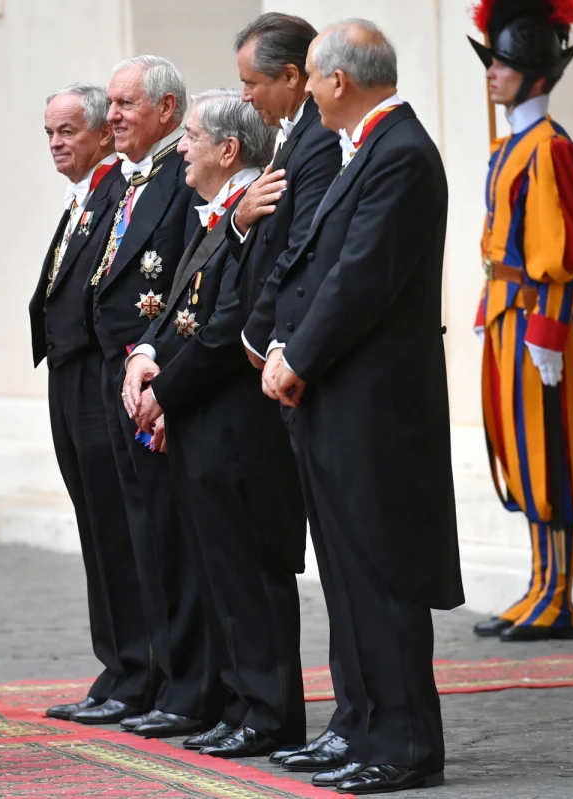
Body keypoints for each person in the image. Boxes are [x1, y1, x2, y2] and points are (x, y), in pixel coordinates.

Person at [257, 20, 463, 794]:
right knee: (344, 571)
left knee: (381, 571)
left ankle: (404, 738)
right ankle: (357, 721)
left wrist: (296, 357)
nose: (304, 89)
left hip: (375, 404)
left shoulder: (400, 154)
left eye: (310, 76)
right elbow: (315, 264)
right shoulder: (363, 150)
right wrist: (282, 348)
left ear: (339, 81)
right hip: (337, 396)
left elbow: (360, 278)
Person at [122, 88, 307, 760]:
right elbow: (184, 305)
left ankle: (269, 710)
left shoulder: (257, 209)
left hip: (236, 426)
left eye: (192, 135)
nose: (183, 147)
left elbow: (230, 324)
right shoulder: (223, 215)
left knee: (249, 572)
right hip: (204, 421)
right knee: (221, 571)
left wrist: (164, 389)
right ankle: (241, 702)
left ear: (229, 150)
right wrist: (151, 362)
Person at [73, 56, 219, 738]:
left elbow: (191, 286)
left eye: (126, 103)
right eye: (110, 103)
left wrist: (163, 374)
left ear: (166, 109)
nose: (113, 116)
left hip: (156, 384)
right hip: (121, 378)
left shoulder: (178, 178)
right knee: (141, 535)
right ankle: (156, 676)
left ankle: (189, 684)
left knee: (170, 538)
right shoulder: (129, 181)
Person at [467, 0, 573, 643]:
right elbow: (502, 245)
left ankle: (558, 597)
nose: (491, 74)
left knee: (551, 455)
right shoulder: (514, 148)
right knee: (522, 454)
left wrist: (550, 332)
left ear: (532, 74)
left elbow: (571, 256)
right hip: (509, 317)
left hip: (538, 325)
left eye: (502, 64)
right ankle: (538, 584)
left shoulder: (551, 151)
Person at [228, 12, 356, 774]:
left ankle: (361, 721)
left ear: (293, 76)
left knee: (348, 569)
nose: (247, 99)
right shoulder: (295, 139)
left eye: (253, 82)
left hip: (302, 370)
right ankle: (351, 719)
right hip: (286, 362)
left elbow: (308, 257)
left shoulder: (319, 145)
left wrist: (264, 341)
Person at [28, 83, 152, 721]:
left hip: (103, 376)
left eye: (68, 130)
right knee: (95, 523)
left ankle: (138, 669)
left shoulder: (119, 192)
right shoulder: (83, 198)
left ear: (105, 132)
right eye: (49, 132)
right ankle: (118, 666)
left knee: (116, 523)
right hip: (70, 376)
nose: (55, 143)